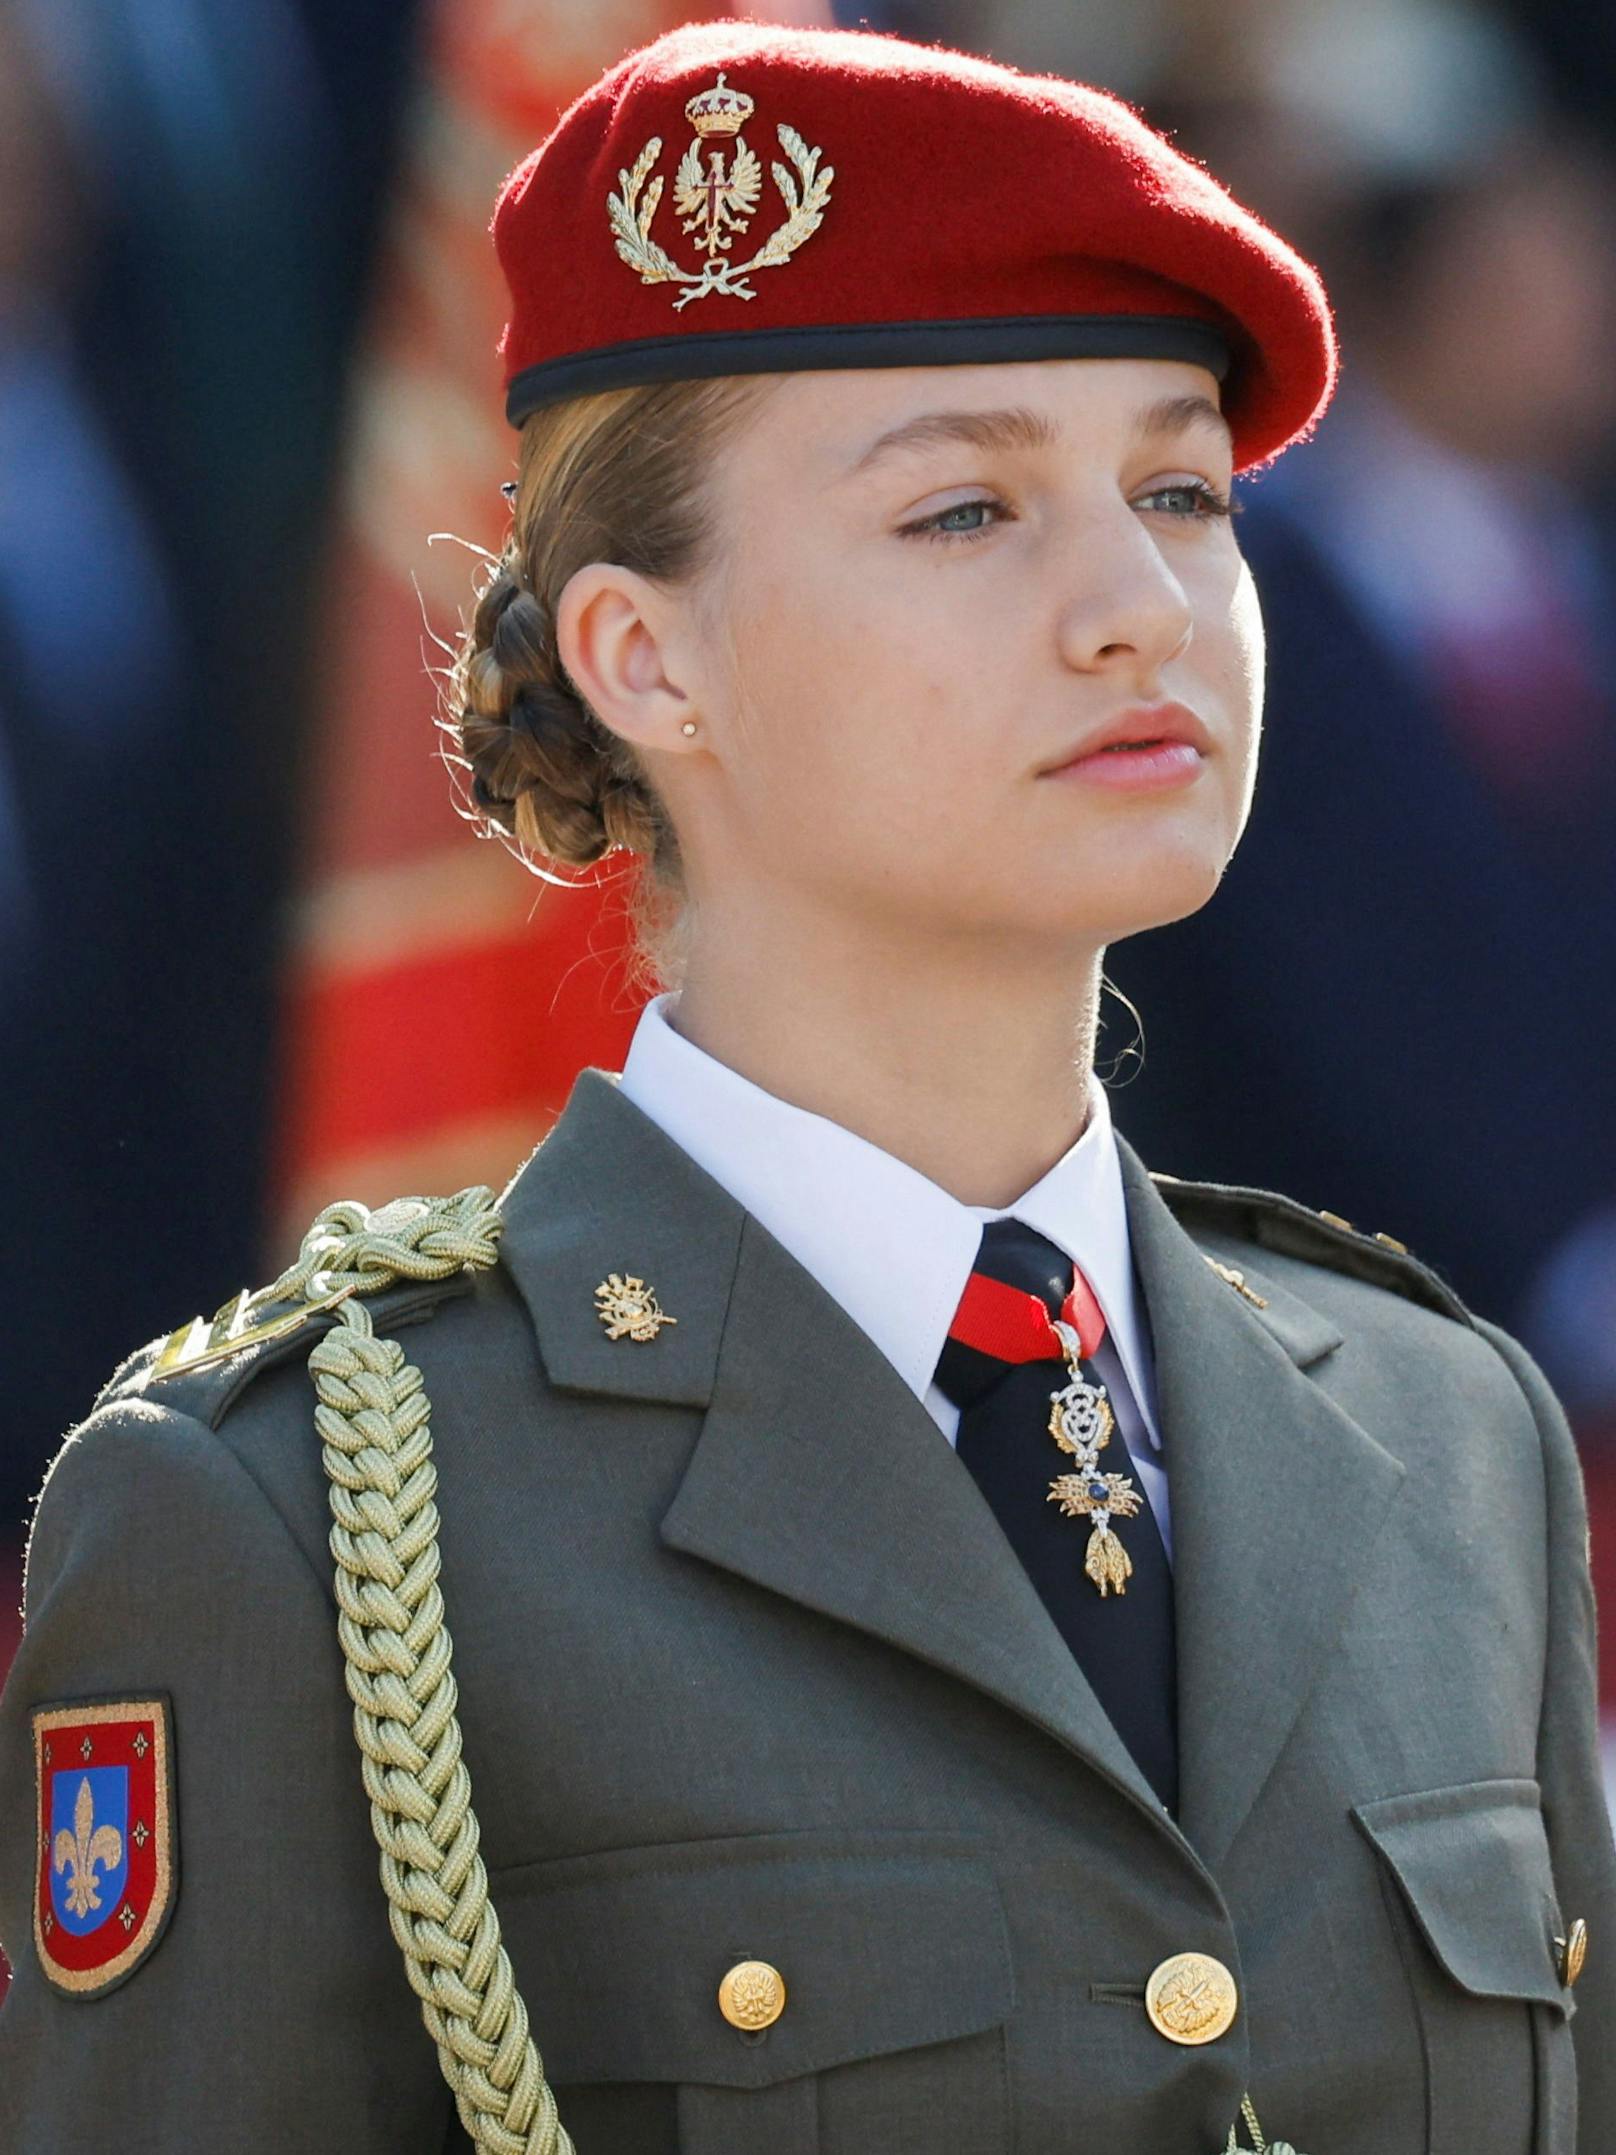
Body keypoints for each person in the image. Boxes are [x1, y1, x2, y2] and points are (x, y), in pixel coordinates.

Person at [1, 19, 1611, 2153]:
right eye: (962, 506)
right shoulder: (298, 1520)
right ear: (642, 659)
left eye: (1181, 491)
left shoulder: (1445, 1428)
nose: (1140, 607)